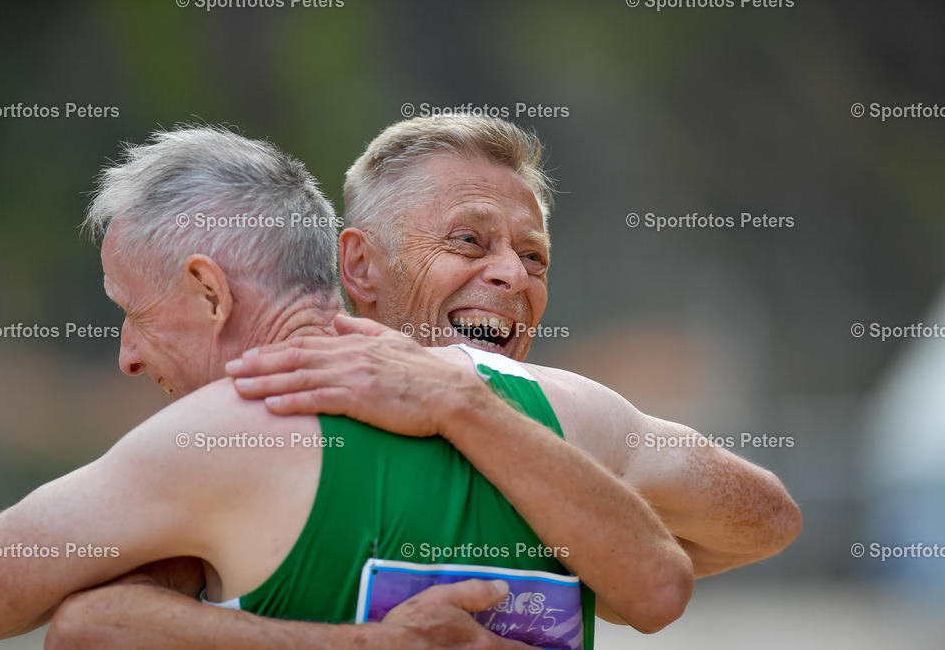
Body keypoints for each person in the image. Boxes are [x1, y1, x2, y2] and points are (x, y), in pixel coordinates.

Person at [43, 117, 801, 648]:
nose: (512, 274)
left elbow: (767, 518)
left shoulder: (565, 416)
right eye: (468, 240)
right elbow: (87, 627)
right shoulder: (265, 420)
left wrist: (592, 546)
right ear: (360, 266)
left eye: (533, 256)